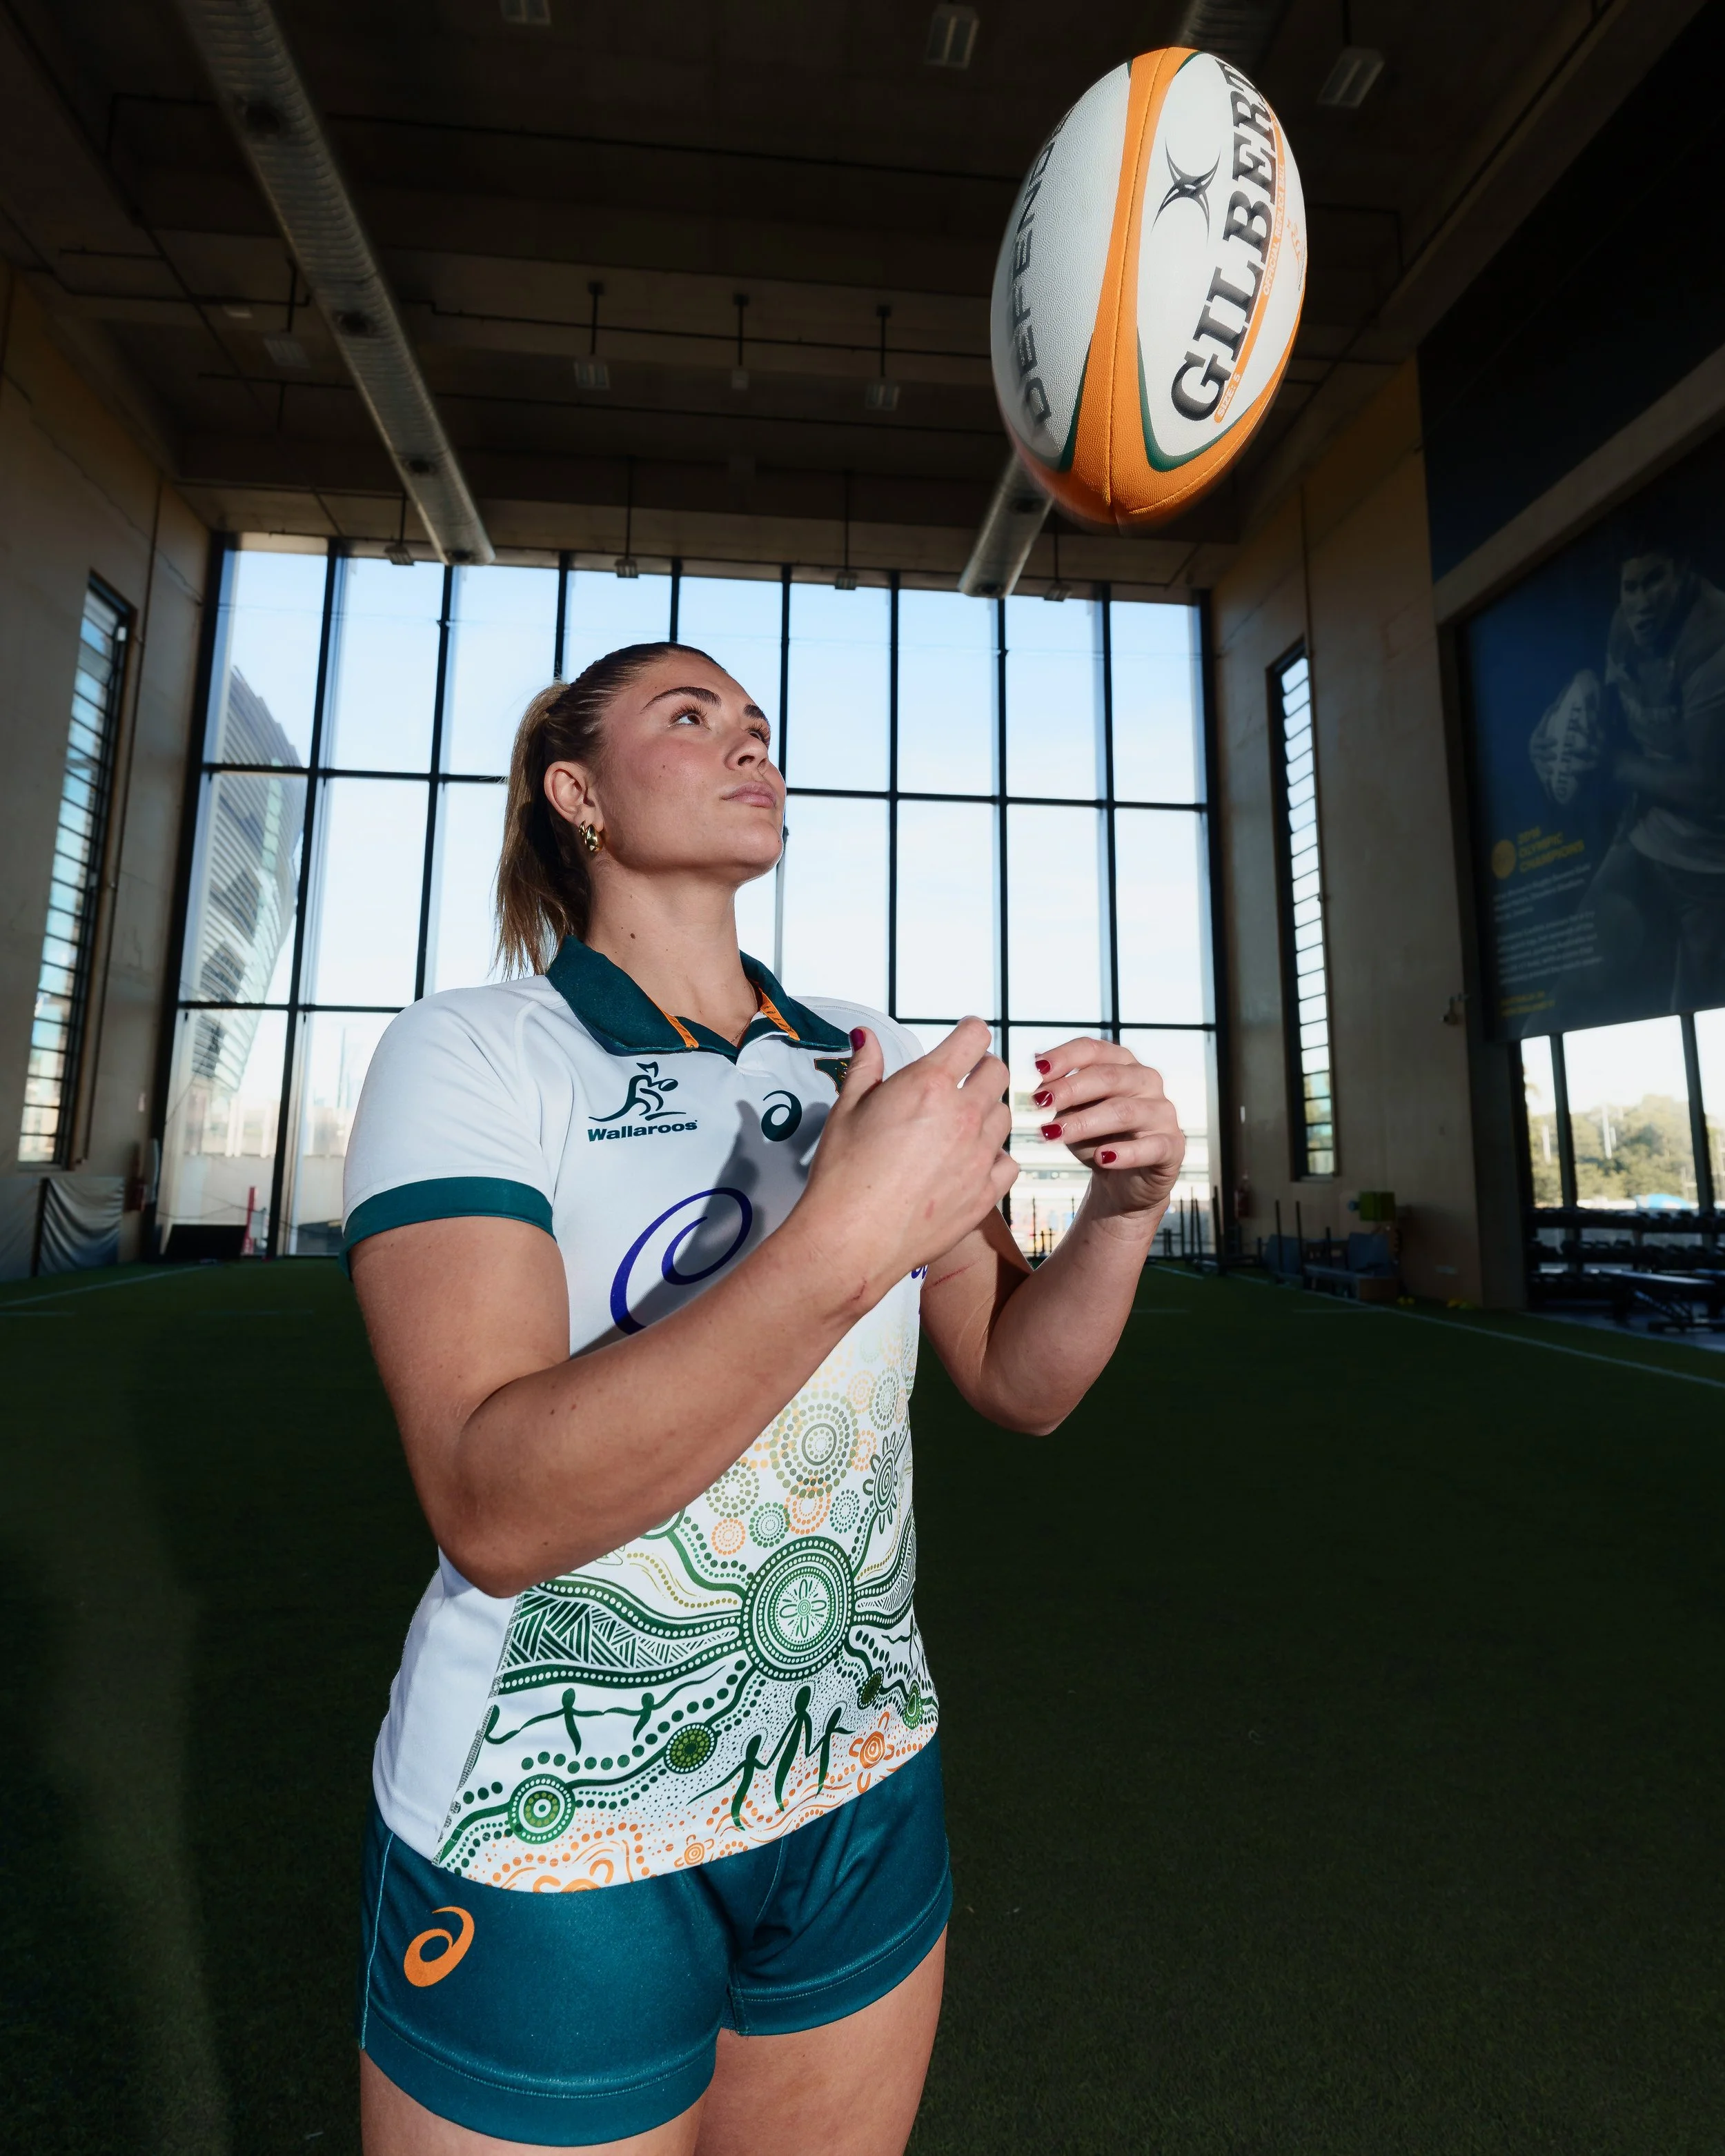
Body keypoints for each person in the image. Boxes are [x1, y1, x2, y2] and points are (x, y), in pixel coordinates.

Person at [343, 638, 1185, 2155]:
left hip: (854, 1772)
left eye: (759, 723)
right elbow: (492, 1503)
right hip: (555, 1824)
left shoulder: (860, 1054)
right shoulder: (474, 1051)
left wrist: (1125, 1209)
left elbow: (1018, 1379)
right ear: (576, 791)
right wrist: (841, 1238)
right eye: (691, 715)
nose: (750, 744)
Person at [1529, 539, 1725, 1009]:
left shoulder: (1714, 643)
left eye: (1655, 580)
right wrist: (1557, 734)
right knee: (1569, 995)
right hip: (1647, 834)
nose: (1641, 602)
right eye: (1631, 587)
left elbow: (1711, 789)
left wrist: (1612, 764)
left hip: (1714, 865)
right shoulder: (1625, 626)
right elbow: (1618, 718)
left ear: (1684, 570)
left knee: (1697, 1015)